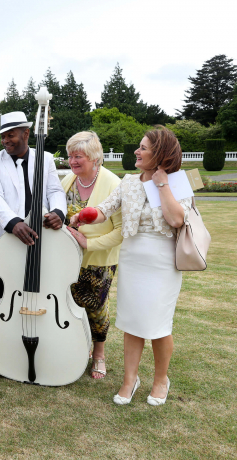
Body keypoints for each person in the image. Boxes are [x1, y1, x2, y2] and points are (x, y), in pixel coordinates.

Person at [70, 127, 191, 406]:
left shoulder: (177, 182)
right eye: (139, 146)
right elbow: (105, 210)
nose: (137, 151)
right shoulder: (128, 182)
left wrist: (162, 184)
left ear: (160, 153)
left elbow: (176, 220)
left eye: (144, 148)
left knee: (159, 325)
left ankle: (161, 380)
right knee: (132, 322)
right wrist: (86, 216)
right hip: (133, 257)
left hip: (163, 260)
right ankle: (129, 380)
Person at [0, 111, 67, 300]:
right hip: (5, 236)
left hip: (42, 235)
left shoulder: (45, 158)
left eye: (10, 135)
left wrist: (59, 212)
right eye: (3, 136)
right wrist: (13, 223)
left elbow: (55, 191)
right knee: (5, 295)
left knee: (42, 289)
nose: (5, 140)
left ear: (26, 134)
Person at [60, 131, 123, 379]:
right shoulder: (68, 181)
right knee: (71, 305)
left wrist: (89, 242)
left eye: (78, 156)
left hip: (99, 259)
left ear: (94, 157)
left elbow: (121, 232)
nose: (72, 161)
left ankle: (98, 355)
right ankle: (79, 346)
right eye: (70, 156)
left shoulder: (112, 184)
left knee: (96, 308)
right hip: (67, 258)